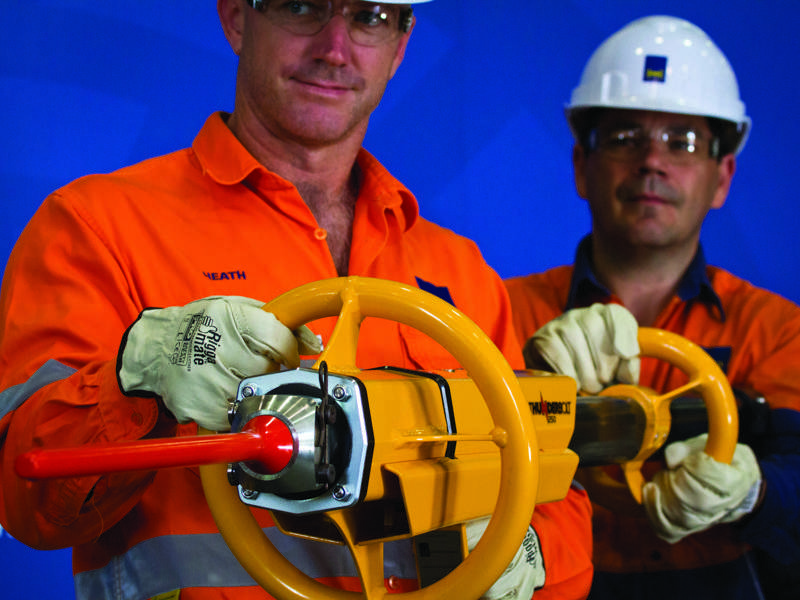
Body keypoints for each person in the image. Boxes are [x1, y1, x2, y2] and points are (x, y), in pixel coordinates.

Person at [0, 1, 593, 599]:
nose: (334, 48)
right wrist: (137, 382)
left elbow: (547, 473)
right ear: (236, 17)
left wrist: (533, 549)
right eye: (301, 5)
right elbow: (24, 496)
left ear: (401, 46)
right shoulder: (98, 229)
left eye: (370, 17)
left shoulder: (458, 272)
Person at [505, 15, 800, 600]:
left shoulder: (777, 330)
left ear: (722, 178)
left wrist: (755, 494)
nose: (651, 161)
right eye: (623, 137)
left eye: (683, 141)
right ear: (581, 168)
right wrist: (529, 383)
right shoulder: (502, 311)